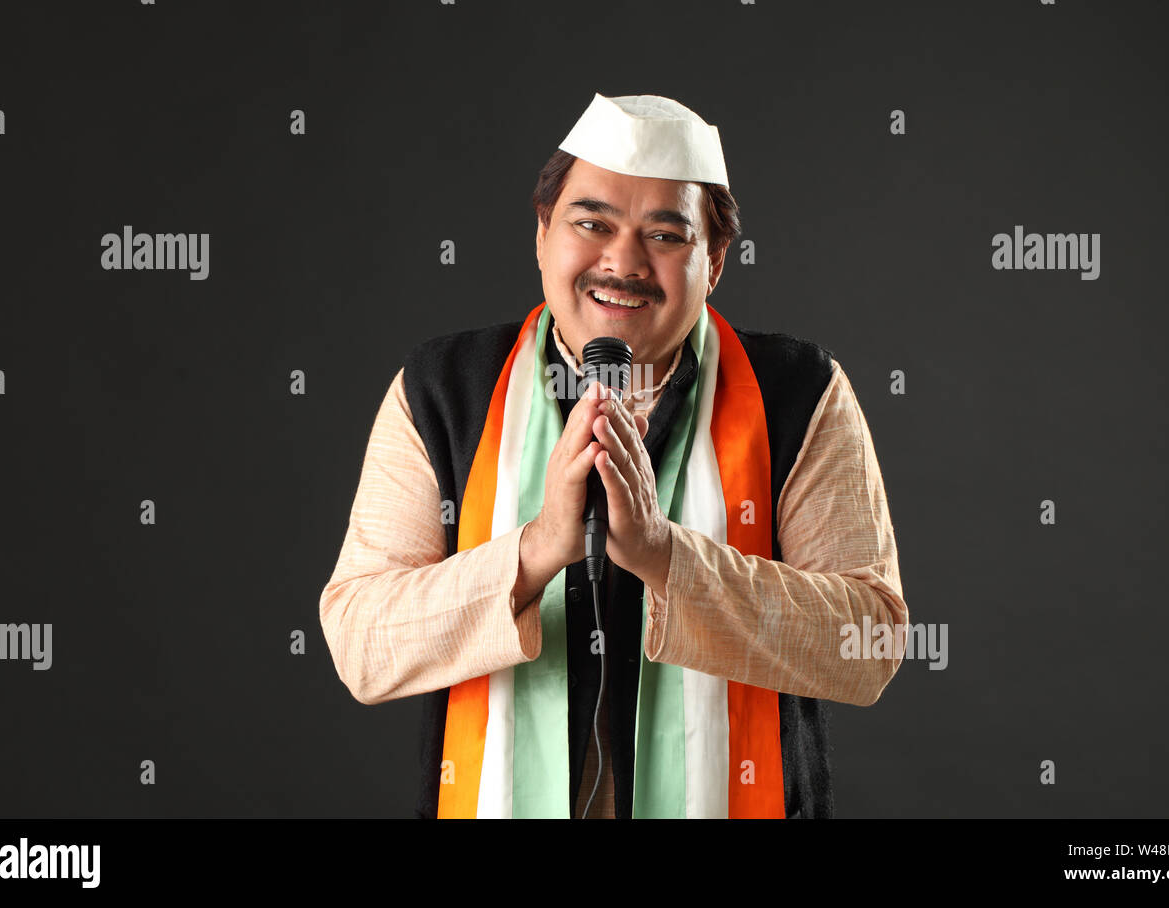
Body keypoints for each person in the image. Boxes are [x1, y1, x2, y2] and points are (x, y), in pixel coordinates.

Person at [319, 92, 908, 819]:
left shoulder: (800, 393)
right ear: (542, 235)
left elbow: (869, 644)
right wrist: (535, 553)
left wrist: (667, 559)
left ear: (716, 261)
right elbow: (361, 644)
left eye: (665, 235)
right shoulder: (442, 391)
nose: (622, 262)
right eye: (592, 223)